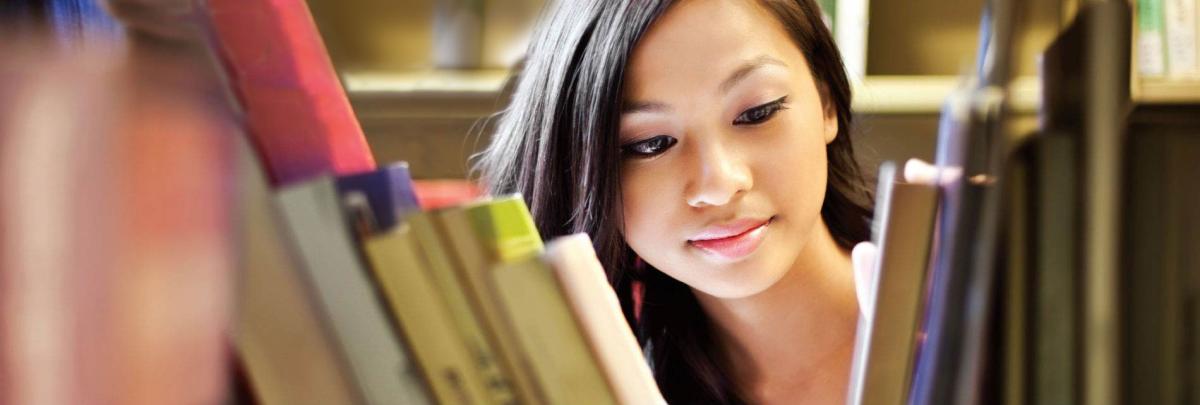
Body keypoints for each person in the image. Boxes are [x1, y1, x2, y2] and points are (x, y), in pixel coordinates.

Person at [474, 1, 876, 403]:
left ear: (826, 103)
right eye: (651, 145)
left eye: (757, 114)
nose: (719, 184)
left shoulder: (934, 326)